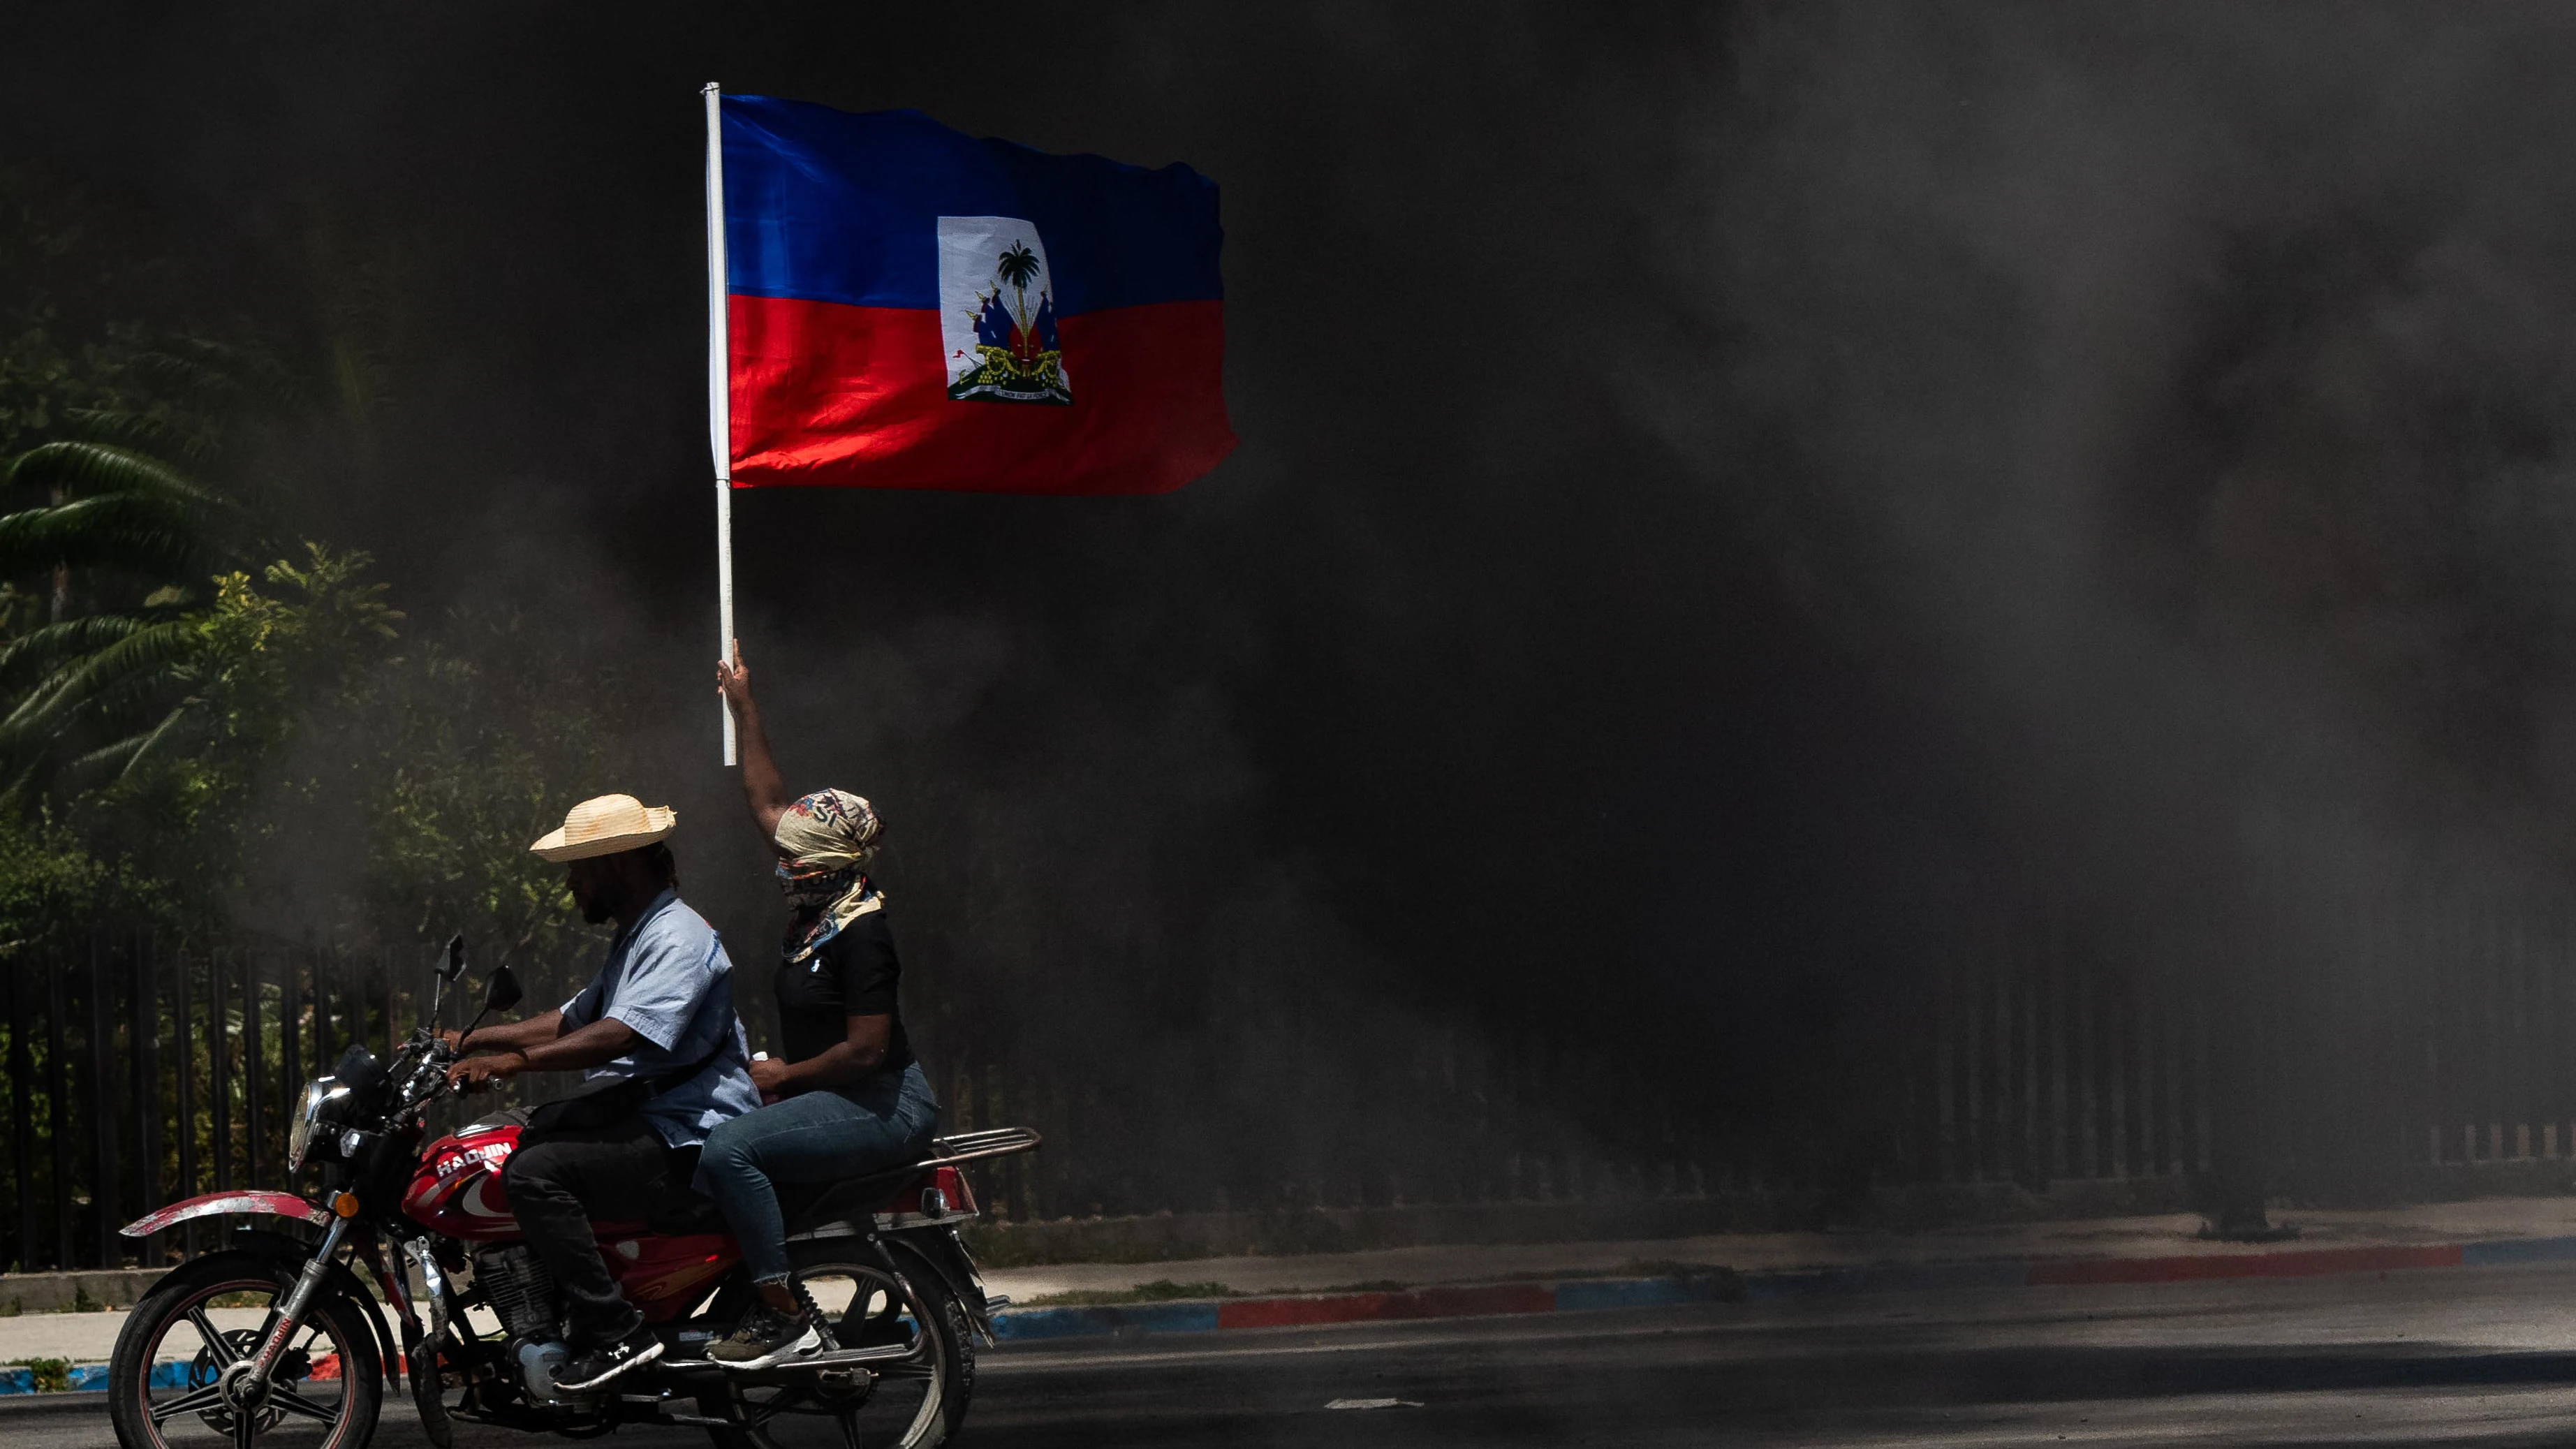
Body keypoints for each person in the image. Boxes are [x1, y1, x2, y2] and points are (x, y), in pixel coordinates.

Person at [445, 792, 761, 1390]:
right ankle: (551, 1307)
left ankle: (617, 1331)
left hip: (687, 1132)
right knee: (508, 1135)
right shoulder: (636, 934)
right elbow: (573, 1017)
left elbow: (617, 1035)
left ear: (617, 864)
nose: (571, 883)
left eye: (578, 868)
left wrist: (511, 1062)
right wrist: (469, 1039)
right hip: (646, 1113)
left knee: (535, 1173)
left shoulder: (677, 937)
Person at [695, 642, 940, 1369]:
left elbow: (866, 1050)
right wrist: (743, 702)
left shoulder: (864, 932)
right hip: (836, 1092)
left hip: (880, 1102)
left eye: (793, 860)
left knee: (730, 1147)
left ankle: (781, 1313)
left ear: (833, 867)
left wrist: (782, 1075)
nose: (780, 865)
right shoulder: (820, 905)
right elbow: (767, 800)